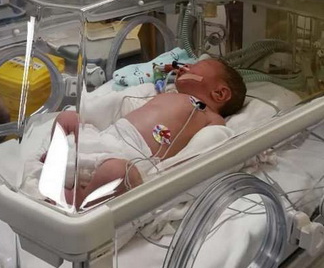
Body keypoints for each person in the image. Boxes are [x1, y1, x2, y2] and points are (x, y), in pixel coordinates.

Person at [48, 58, 246, 209]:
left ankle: (77, 200)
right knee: (67, 118)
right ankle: (57, 158)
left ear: (220, 93)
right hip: (106, 136)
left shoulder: (210, 117)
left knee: (118, 173)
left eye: (195, 66)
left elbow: (203, 151)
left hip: (131, 156)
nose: (185, 66)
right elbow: (125, 105)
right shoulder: (167, 93)